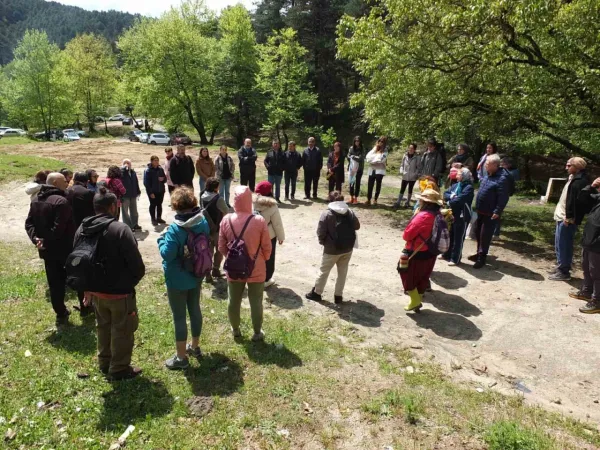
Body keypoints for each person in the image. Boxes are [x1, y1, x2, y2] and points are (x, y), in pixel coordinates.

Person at [78, 187, 145, 380]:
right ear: (112, 207)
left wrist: (89, 287)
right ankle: (119, 369)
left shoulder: (83, 228)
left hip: (96, 293)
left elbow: (78, 262)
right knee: (122, 330)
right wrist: (126, 285)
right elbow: (137, 266)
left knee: (103, 327)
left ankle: (104, 362)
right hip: (119, 294)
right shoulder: (120, 229)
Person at [158, 187, 210, 370]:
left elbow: (167, 254)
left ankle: (181, 358)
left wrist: (161, 239)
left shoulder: (174, 229)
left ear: (176, 206)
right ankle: (194, 347)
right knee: (195, 309)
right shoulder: (202, 221)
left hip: (177, 278)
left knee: (179, 317)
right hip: (197, 273)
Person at [218, 186, 272, 341]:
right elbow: (267, 246)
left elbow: (221, 246)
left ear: (235, 200)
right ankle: (257, 332)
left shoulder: (226, 220)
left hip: (234, 268)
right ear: (249, 200)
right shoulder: (259, 220)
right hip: (256, 267)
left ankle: (235, 330)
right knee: (256, 302)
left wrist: (232, 257)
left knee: (233, 301)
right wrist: (264, 259)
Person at [25, 173, 75, 325]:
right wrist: (45, 239)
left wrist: (36, 239)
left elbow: (29, 224)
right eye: (64, 181)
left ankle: (60, 313)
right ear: (54, 183)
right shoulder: (61, 201)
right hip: (65, 249)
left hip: (46, 250)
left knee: (55, 283)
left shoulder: (36, 201)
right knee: (76, 278)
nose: (67, 183)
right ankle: (86, 308)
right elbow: (59, 228)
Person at [305, 191, 360, 304]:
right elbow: (357, 226)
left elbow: (321, 231)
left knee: (324, 271)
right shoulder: (350, 212)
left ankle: (317, 293)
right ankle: (338, 296)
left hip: (331, 249)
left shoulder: (327, 213)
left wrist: (323, 242)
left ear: (330, 201)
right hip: (347, 248)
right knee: (342, 272)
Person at [399, 188, 443, 312]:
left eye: (421, 200)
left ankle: (415, 300)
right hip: (432, 251)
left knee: (405, 273)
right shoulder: (439, 215)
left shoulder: (422, 216)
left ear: (425, 202)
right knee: (423, 276)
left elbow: (407, 235)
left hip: (416, 251)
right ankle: (418, 298)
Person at [549, 157, 590, 281]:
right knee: (559, 244)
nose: (566, 168)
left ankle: (564, 272)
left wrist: (570, 217)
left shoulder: (580, 182)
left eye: (569, 165)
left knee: (564, 245)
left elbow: (578, 203)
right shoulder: (573, 178)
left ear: (577, 167)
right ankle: (561, 265)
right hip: (561, 216)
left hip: (567, 219)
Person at [470, 154, 509, 269]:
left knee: (485, 235)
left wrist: (497, 211)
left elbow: (503, 197)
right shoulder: (488, 175)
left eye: (487, 163)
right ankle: (478, 253)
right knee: (477, 233)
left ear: (495, 165)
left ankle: (482, 258)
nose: (485, 165)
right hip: (481, 210)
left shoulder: (502, 178)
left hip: (490, 213)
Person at [572, 177, 600, 313]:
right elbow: (582, 200)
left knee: (597, 272)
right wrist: (591, 186)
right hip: (589, 239)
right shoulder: (598, 198)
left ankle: (597, 301)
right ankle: (587, 292)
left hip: (598, 243)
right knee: (586, 267)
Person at [254, 181, 285, 288]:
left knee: (257, 255)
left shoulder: (253, 203)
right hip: (269, 236)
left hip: (255, 234)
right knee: (269, 257)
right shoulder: (272, 205)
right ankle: (266, 279)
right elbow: (277, 223)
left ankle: (256, 276)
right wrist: (281, 237)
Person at [441, 168, 474, 265]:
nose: (456, 176)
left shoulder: (469, 187)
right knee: (450, 234)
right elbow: (445, 193)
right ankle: (446, 254)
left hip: (462, 215)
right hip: (452, 214)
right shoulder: (455, 185)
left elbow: (460, 200)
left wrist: (449, 200)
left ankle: (455, 258)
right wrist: (451, 196)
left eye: (459, 174)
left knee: (458, 237)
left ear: (464, 176)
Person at [201, 177, 229, 282]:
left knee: (207, 252)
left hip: (205, 227)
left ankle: (207, 273)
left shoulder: (201, 195)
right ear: (216, 187)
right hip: (217, 228)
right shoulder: (218, 199)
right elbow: (226, 211)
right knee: (219, 249)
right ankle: (216, 269)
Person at [394, 143, 420, 208]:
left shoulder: (417, 157)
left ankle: (407, 202)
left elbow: (418, 167)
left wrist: (415, 174)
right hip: (405, 176)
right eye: (409, 148)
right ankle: (398, 202)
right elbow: (402, 165)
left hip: (412, 177)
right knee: (402, 189)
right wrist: (401, 171)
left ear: (414, 149)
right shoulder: (405, 155)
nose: (410, 149)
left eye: (412, 148)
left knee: (410, 189)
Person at [143, 155, 167, 226]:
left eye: (157, 160)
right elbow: (146, 183)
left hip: (161, 190)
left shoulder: (160, 169)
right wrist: (150, 193)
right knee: (153, 205)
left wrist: (163, 179)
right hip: (153, 192)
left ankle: (159, 218)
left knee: (159, 205)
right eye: (155, 160)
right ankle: (153, 219)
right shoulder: (148, 170)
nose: (156, 162)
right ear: (151, 161)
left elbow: (165, 178)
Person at [365, 136, 388, 205]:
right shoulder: (374, 148)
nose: (380, 143)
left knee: (378, 185)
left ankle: (375, 199)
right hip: (372, 169)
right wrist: (374, 159)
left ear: (384, 143)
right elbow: (368, 157)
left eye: (382, 142)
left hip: (380, 170)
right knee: (370, 185)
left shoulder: (385, 150)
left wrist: (374, 160)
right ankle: (368, 199)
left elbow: (381, 159)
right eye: (379, 141)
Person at [121, 159, 142, 231]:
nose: (127, 165)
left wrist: (138, 191)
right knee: (125, 212)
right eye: (125, 163)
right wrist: (124, 169)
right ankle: (128, 226)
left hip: (133, 194)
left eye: (128, 163)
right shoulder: (121, 172)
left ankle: (135, 224)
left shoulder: (133, 172)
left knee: (134, 211)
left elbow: (136, 182)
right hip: (125, 196)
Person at [347, 136, 365, 204]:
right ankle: (351, 197)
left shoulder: (362, 149)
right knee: (351, 183)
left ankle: (356, 198)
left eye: (358, 141)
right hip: (351, 168)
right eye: (355, 141)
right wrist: (352, 157)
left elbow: (360, 158)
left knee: (357, 183)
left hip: (359, 169)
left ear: (360, 142)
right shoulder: (351, 148)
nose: (357, 142)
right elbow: (348, 156)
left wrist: (353, 156)